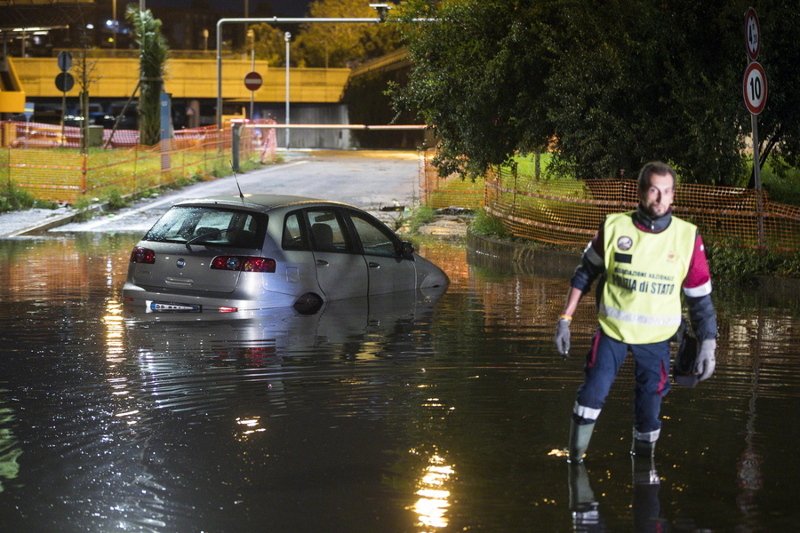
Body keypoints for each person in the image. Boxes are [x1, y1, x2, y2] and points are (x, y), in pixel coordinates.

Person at [555, 161, 717, 463]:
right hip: (612, 333)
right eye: (654, 190)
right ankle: (574, 462)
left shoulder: (687, 238)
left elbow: (700, 300)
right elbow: (584, 273)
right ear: (641, 192)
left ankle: (644, 468)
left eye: (666, 192)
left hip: (656, 341)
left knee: (649, 410)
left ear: (673, 197)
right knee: (591, 394)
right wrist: (565, 320)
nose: (659, 199)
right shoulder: (615, 227)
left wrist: (708, 343)